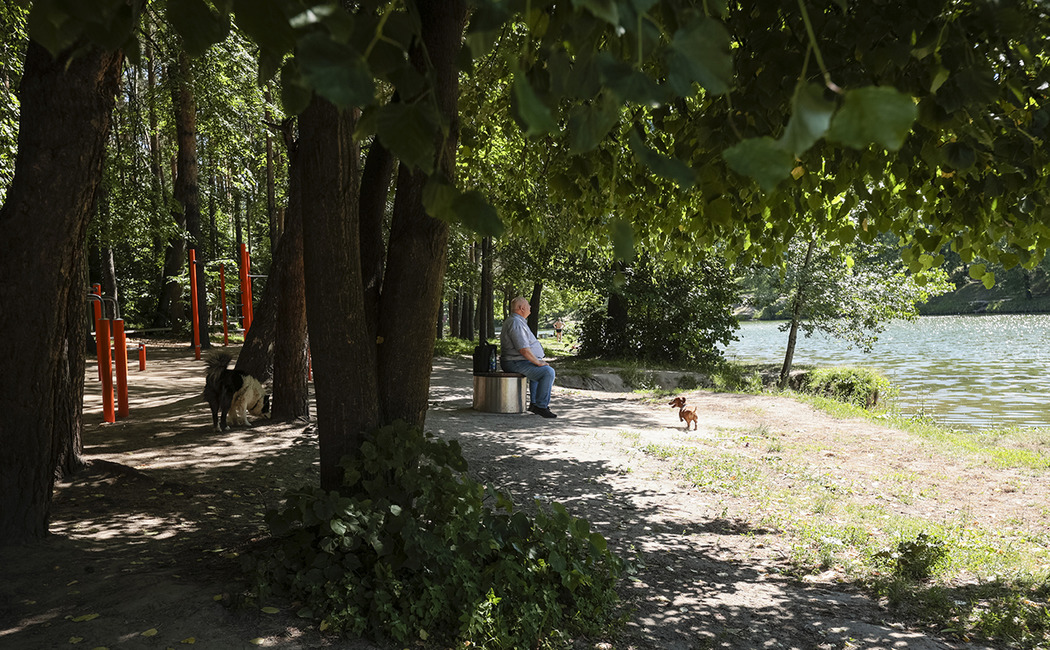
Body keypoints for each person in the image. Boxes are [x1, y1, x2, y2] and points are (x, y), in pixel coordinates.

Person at [500, 296, 557, 418]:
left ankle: (535, 404)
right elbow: (523, 349)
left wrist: (537, 361)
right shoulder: (516, 323)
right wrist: (537, 362)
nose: (530, 307)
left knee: (539, 371)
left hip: (518, 360)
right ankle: (541, 407)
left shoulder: (518, 321)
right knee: (547, 372)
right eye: (528, 305)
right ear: (522, 308)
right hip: (515, 362)